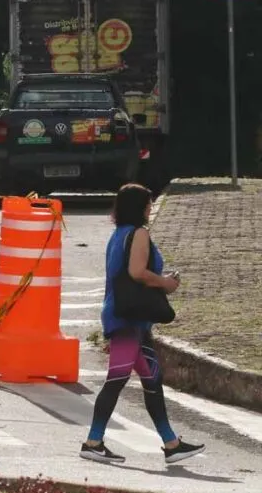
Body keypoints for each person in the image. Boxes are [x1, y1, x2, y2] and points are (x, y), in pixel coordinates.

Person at [80, 183, 205, 465]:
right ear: (140, 208)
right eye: (148, 204)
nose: (151, 208)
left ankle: (172, 444)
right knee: (117, 378)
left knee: (152, 379)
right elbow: (137, 272)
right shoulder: (138, 234)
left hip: (130, 318)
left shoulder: (119, 235)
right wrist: (166, 283)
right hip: (127, 319)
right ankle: (93, 441)